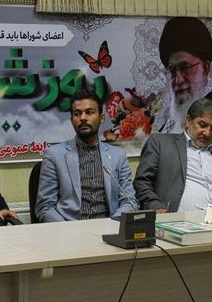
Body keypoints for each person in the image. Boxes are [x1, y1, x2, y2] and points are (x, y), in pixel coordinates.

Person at [36, 89, 138, 222]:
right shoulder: (54, 156)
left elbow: (129, 201)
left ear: (102, 118)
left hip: (110, 227)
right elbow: (45, 207)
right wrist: (66, 230)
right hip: (69, 229)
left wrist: (113, 225)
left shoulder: (118, 156)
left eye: (89, 112)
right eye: (77, 114)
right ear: (72, 120)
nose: (83, 118)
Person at [134, 98, 212, 213]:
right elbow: (142, 182)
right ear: (188, 120)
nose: (207, 133)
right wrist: (156, 206)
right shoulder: (160, 144)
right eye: (202, 125)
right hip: (175, 218)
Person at [159, 17, 212, 133]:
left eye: (185, 68)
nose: (178, 80)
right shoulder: (176, 117)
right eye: (172, 71)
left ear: (205, 69)